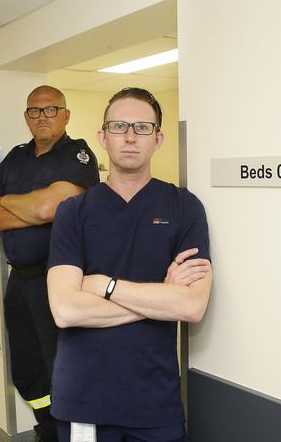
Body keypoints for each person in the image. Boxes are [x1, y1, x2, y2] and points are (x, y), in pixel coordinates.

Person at [46, 87, 212, 442]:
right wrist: (163, 299)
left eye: (143, 127)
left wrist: (106, 286)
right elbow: (65, 310)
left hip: (154, 400)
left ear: (159, 139)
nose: (131, 136)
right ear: (102, 137)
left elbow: (193, 305)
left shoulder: (184, 207)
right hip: (83, 400)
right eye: (120, 126)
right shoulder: (73, 212)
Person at [0, 85, 100, 441]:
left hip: (59, 280)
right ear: (26, 117)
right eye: (34, 111)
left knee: (65, 366)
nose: (42, 117)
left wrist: (11, 201)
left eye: (50, 110)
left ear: (65, 115)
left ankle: (74, 434)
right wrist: (35, 210)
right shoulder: (14, 158)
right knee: (29, 368)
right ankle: (48, 429)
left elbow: (49, 208)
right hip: (19, 283)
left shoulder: (78, 156)